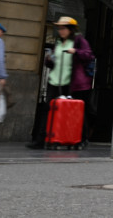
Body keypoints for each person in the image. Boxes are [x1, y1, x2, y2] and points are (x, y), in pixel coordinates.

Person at [29, 16, 95, 149]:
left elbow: (89, 55)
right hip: (55, 80)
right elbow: (52, 61)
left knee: (75, 112)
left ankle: (80, 139)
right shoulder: (59, 42)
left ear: (70, 29)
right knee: (48, 109)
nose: (60, 31)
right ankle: (41, 139)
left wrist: (76, 51)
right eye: (59, 28)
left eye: (63, 28)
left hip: (72, 83)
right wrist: (49, 60)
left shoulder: (79, 41)